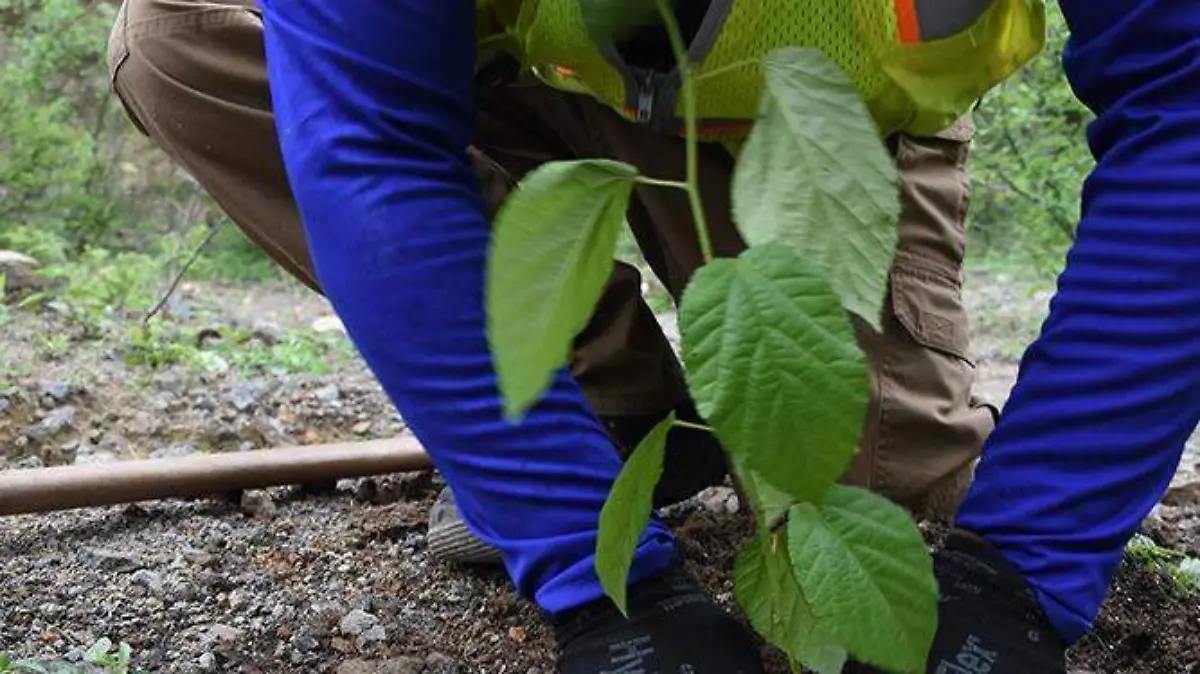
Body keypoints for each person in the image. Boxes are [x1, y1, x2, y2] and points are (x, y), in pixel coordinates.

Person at [105, 1, 1200, 672]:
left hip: (820, 128)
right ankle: (606, 402)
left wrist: (1027, 566)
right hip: (515, 83)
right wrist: (590, 571)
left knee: (873, 492)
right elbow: (368, 141)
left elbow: (1184, 95)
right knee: (174, 33)